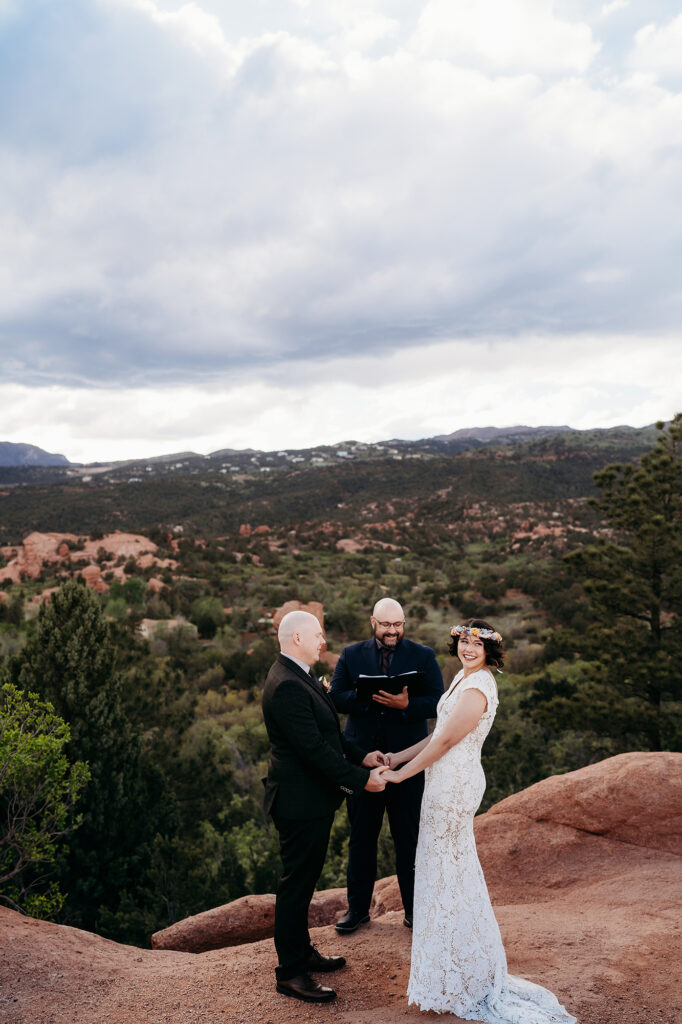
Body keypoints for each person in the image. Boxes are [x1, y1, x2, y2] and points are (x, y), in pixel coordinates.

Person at [381, 618, 577, 1024]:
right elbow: (439, 733)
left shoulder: (479, 685)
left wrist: (401, 775)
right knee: (439, 870)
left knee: (451, 870)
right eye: (463, 642)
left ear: (490, 650)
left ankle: (466, 972)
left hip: (455, 785)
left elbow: (450, 741)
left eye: (477, 644)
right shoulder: (461, 676)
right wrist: (398, 756)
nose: (468, 649)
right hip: (441, 779)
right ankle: (450, 964)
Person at [261, 609, 388, 1004]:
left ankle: (303, 953)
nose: (323, 641)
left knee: (304, 882)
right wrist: (361, 779)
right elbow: (313, 750)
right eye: (317, 634)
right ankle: (290, 973)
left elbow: (328, 733)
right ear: (297, 638)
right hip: (299, 803)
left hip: (311, 801)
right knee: (296, 887)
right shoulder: (286, 685)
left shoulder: (297, 675)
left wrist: (363, 756)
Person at [329, 597, 443, 933]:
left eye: (398, 624)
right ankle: (357, 911)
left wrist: (406, 705)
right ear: (373, 623)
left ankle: (414, 912)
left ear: (404, 624)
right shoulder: (351, 655)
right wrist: (367, 697)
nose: (392, 631)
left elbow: (439, 702)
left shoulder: (423, 656)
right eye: (385, 624)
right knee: (361, 837)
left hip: (407, 761)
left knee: (408, 837)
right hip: (362, 761)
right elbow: (335, 698)